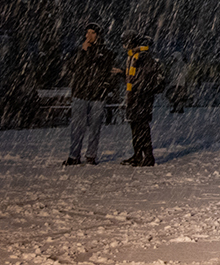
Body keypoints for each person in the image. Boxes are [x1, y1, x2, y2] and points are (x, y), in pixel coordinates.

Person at [62, 22, 114, 166]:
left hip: (97, 95)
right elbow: (73, 67)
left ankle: (91, 155)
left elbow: (105, 70)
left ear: (97, 35)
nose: (87, 35)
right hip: (81, 93)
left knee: (95, 126)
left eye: (91, 32)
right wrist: (83, 52)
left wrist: (105, 87)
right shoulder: (81, 50)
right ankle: (74, 155)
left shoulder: (106, 52)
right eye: (87, 32)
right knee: (77, 126)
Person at [118, 32, 164, 167]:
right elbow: (134, 77)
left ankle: (147, 156)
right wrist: (122, 74)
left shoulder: (142, 57)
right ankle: (138, 155)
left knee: (141, 127)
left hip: (141, 97)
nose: (124, 45)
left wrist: (136, 93)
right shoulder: (134, 57)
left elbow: (142, 79)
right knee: (136, 126)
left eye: (126, 42)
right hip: (136, 97)